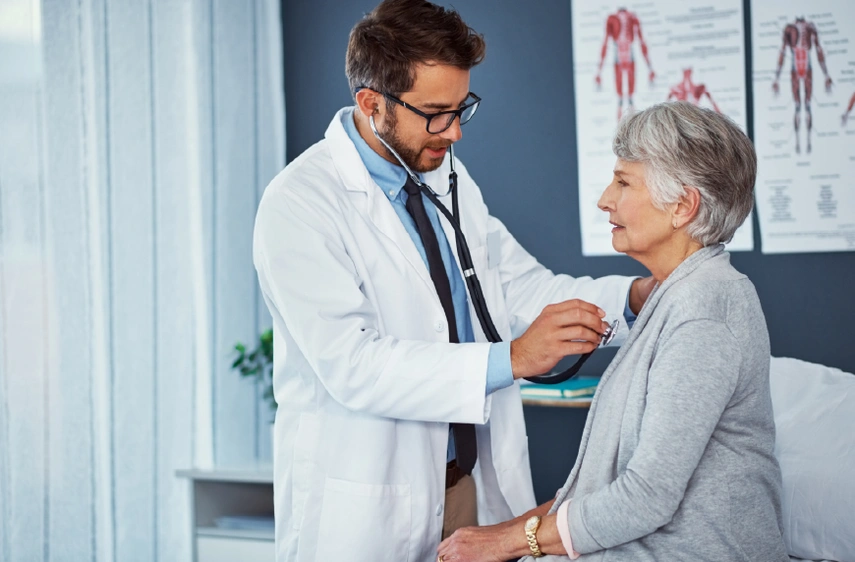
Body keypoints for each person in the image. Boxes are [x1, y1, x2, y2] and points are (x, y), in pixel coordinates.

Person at [253, 1, 653, 560]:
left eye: (462, 107)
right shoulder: (299, 203)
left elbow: (517, 290)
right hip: (371, 500)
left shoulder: (445, 174)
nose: (456, 132)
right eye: (437, 112)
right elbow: (354, 365)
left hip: (468, 487)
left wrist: (634, 300)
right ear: (372, 104)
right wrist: (511, 359)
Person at [438, 102, 789, 561]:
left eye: (624, 182)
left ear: (683, 206)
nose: (605, 198)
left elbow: (646, 497)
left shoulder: (705, 307)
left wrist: (510, 541)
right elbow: (610, 485)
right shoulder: (676, 297)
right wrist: (506, 533)